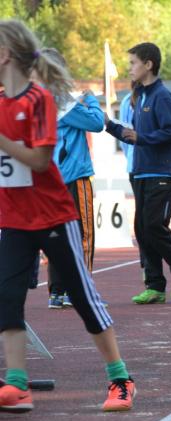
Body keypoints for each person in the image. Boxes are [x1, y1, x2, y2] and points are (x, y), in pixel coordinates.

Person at [0, 19, 135, 413]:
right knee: (7, 298)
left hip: (53, 217)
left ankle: (120, 379)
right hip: (14, 220)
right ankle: (17, 385)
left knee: (81, 296)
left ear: (5, 54)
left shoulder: (40, 100)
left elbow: (40, 160)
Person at [105, 42, 171, 304]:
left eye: (133, 63)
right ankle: (154, 286)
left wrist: (142, 138)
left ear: (148, 64)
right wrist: (108, 125)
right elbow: (132, 136)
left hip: (162, 173)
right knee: (142, 230)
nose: (129, 68)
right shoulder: (139, 96)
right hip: (141, 172)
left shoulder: (162, 96)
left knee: (154, 225)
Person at [32, 48, 105, 310]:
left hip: (50, 178)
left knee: (55, 235)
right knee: (83, 234)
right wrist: (91, 99)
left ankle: (57, 291)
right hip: (75, 176)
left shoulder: (38, 99)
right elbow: (97, 123)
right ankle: (81, 291)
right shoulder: (62, 99)